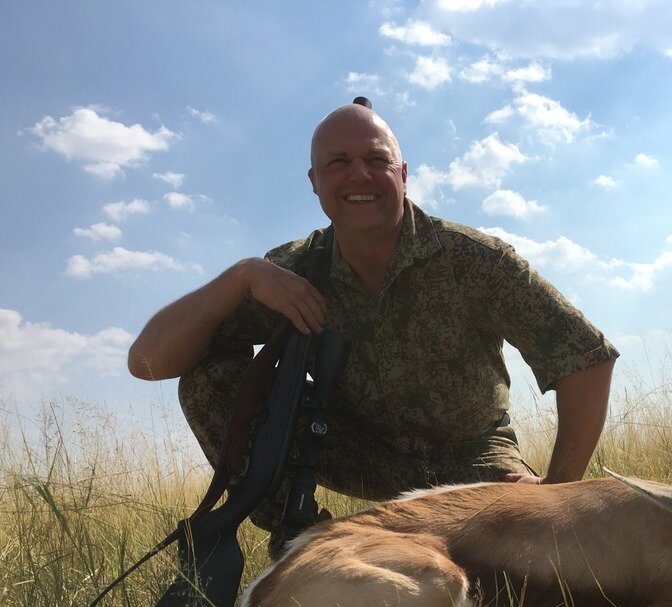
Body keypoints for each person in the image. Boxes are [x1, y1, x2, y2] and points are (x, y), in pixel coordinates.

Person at [128, 102, 618, 557]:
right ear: (314, 181)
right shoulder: (293, 270)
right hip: (355, 451)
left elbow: (585, 357)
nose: (359, 174)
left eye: (376, 160)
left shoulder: (475, 260)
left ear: (403, 175)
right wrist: (242, 276)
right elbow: (148, 362)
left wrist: (559, 495)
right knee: (209, 376)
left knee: (526, 568)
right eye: (338, 163)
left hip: (473, 458)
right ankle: (302, 543)